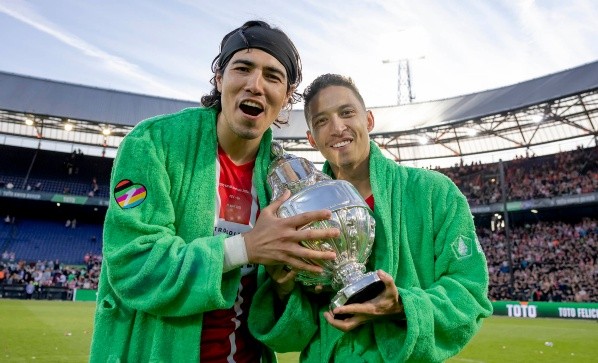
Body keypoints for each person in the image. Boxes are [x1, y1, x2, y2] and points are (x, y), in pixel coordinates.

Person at [89, 21, 339, 363]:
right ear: (219, 79)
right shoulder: (154, 144)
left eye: (272, 76)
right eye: (243, 68)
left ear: (286, 99)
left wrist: (283, 286)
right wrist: (245, 248)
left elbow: (291, 337)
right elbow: (134, 266)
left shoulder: (287, 180)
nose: (255, 85)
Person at [249, 74, 493, 362]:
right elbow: (291, 337)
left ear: (368, 120)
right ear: (312, 139)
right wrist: (283, 286)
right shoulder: (299, 214)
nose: (337, 128)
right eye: (322, 121)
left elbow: (469, 294)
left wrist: (403, 305)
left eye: (347, 113)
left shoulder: (434, 193)